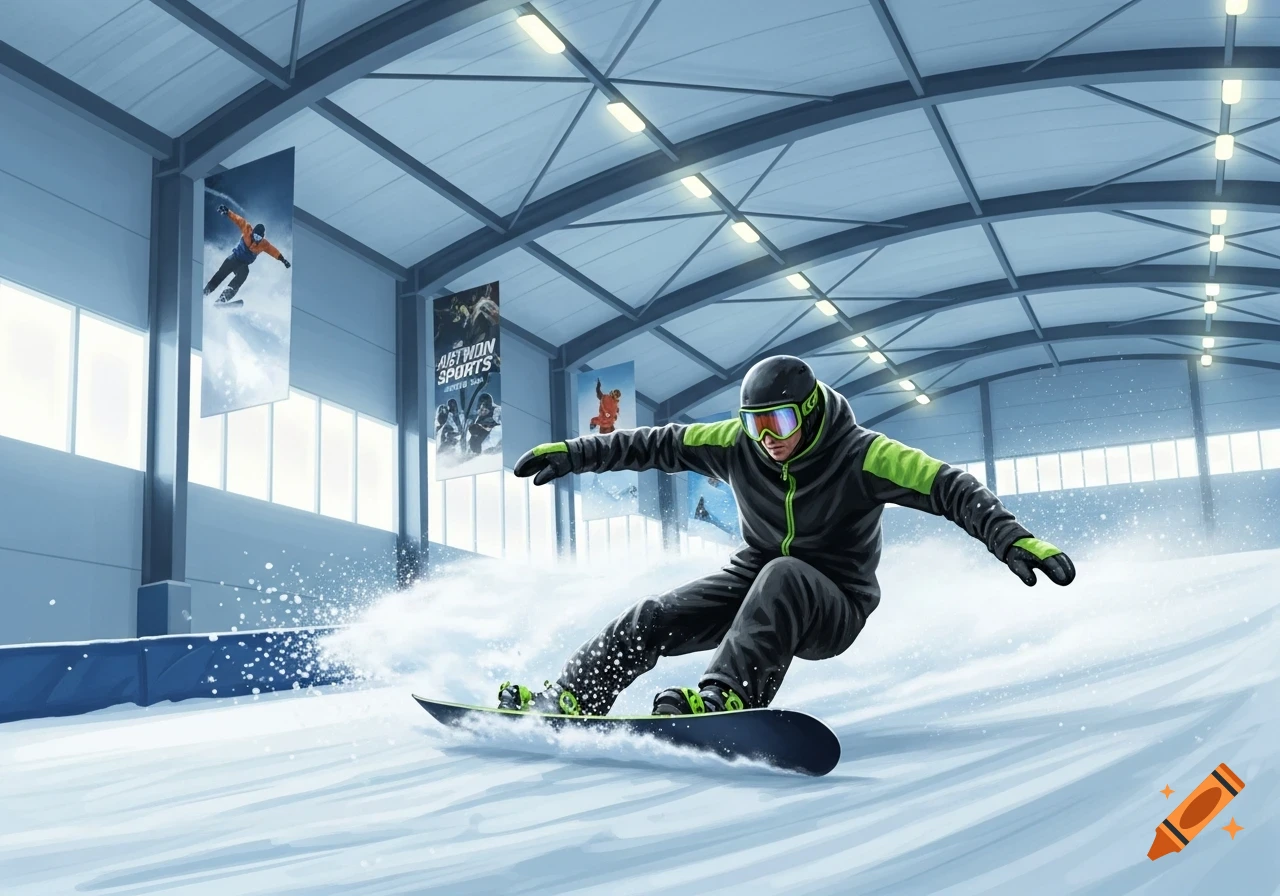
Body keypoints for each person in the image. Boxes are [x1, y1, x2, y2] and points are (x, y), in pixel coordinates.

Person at [501, 355, 1075, 717]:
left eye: (779, 423)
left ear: (810, 411)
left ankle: (727, 697)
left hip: (832, 602)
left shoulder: (865, 455)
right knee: (655, 613)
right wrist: (577, 452)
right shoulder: (739, 443)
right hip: (756, 582)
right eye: (755, 424)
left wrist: (1012, 539)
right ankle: (577, 695)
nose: (766, 437)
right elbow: (657, 443)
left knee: (784, 574)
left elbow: (948, 486)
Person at [203, 205, 290, 304]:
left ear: (262, 237)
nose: (256, 238)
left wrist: (283, 260)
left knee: (244, 273)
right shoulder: (247, 229)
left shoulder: (264, 244)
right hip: (234, 258)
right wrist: (227, 212)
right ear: (253, 232)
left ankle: (223, 298)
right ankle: (205, 292)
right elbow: (237, 219)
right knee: (220, 274)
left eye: (259, 237)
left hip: (243, 265)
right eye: (255, 235)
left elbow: (274, 251)